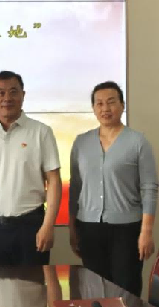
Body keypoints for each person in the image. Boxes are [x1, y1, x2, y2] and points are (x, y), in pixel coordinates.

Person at [0, 70, 62, 267]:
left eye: (13, 92)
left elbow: (53, 180)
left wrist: (48, 225)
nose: (6, 98)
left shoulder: (41, 132)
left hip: (31, 226)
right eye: (0, 93)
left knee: (33, 285)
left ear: (23, 95)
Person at [69, 81, 157, 296]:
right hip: (89, 228)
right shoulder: (81, 143)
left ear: (122, 105)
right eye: (99, 103)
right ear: (93, 108)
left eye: (111, 102)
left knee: (126, 288)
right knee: (94, 289)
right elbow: (75, 189)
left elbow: (149, 188)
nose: (105, 108)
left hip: (127, 229)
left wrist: (146, 232)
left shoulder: (138, 141)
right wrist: (72, 229)